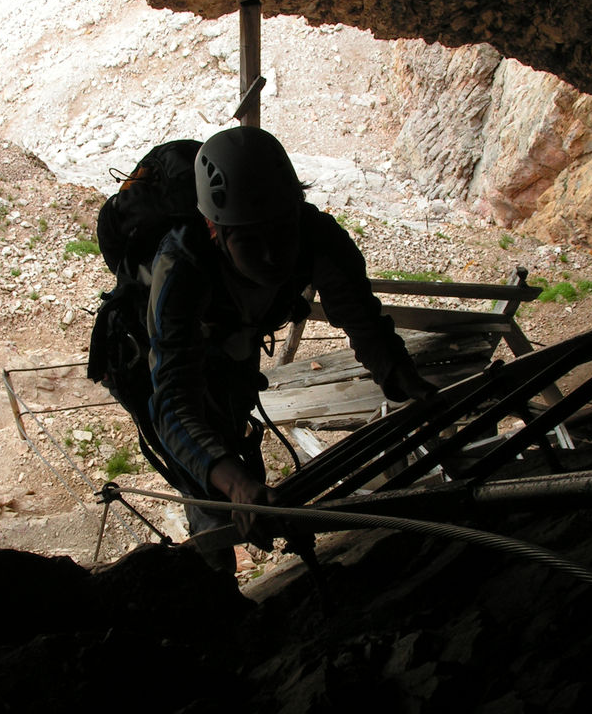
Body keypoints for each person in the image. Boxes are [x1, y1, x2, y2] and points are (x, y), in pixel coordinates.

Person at [145, 126, 435, 561]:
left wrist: (403, 379)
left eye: (282, 234)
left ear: (297, 213)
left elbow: (362, 318)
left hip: (230, 342)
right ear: (213, 230)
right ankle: (216, 577)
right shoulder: (181, 271)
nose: (271, 256)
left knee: (237, 446)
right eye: (249, 241)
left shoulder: (317, 235)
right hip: (154, 356)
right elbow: (172, 403)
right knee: (209, 483)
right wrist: (235, 486)